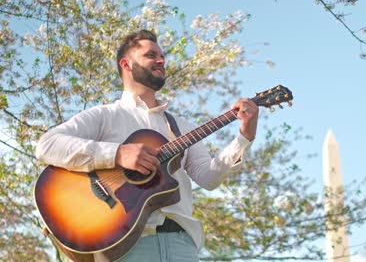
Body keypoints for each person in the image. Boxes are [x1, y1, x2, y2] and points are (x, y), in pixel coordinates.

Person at [35, 29, 258, 261]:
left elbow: (208, 177)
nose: (161, 60)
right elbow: (48, 145)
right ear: (126, 64)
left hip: (182, 245)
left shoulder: (182, 127)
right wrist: (118, 153)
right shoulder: (104, 116)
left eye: (162, 56)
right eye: (151, 55)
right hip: (125, 245)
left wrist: (244, 136)